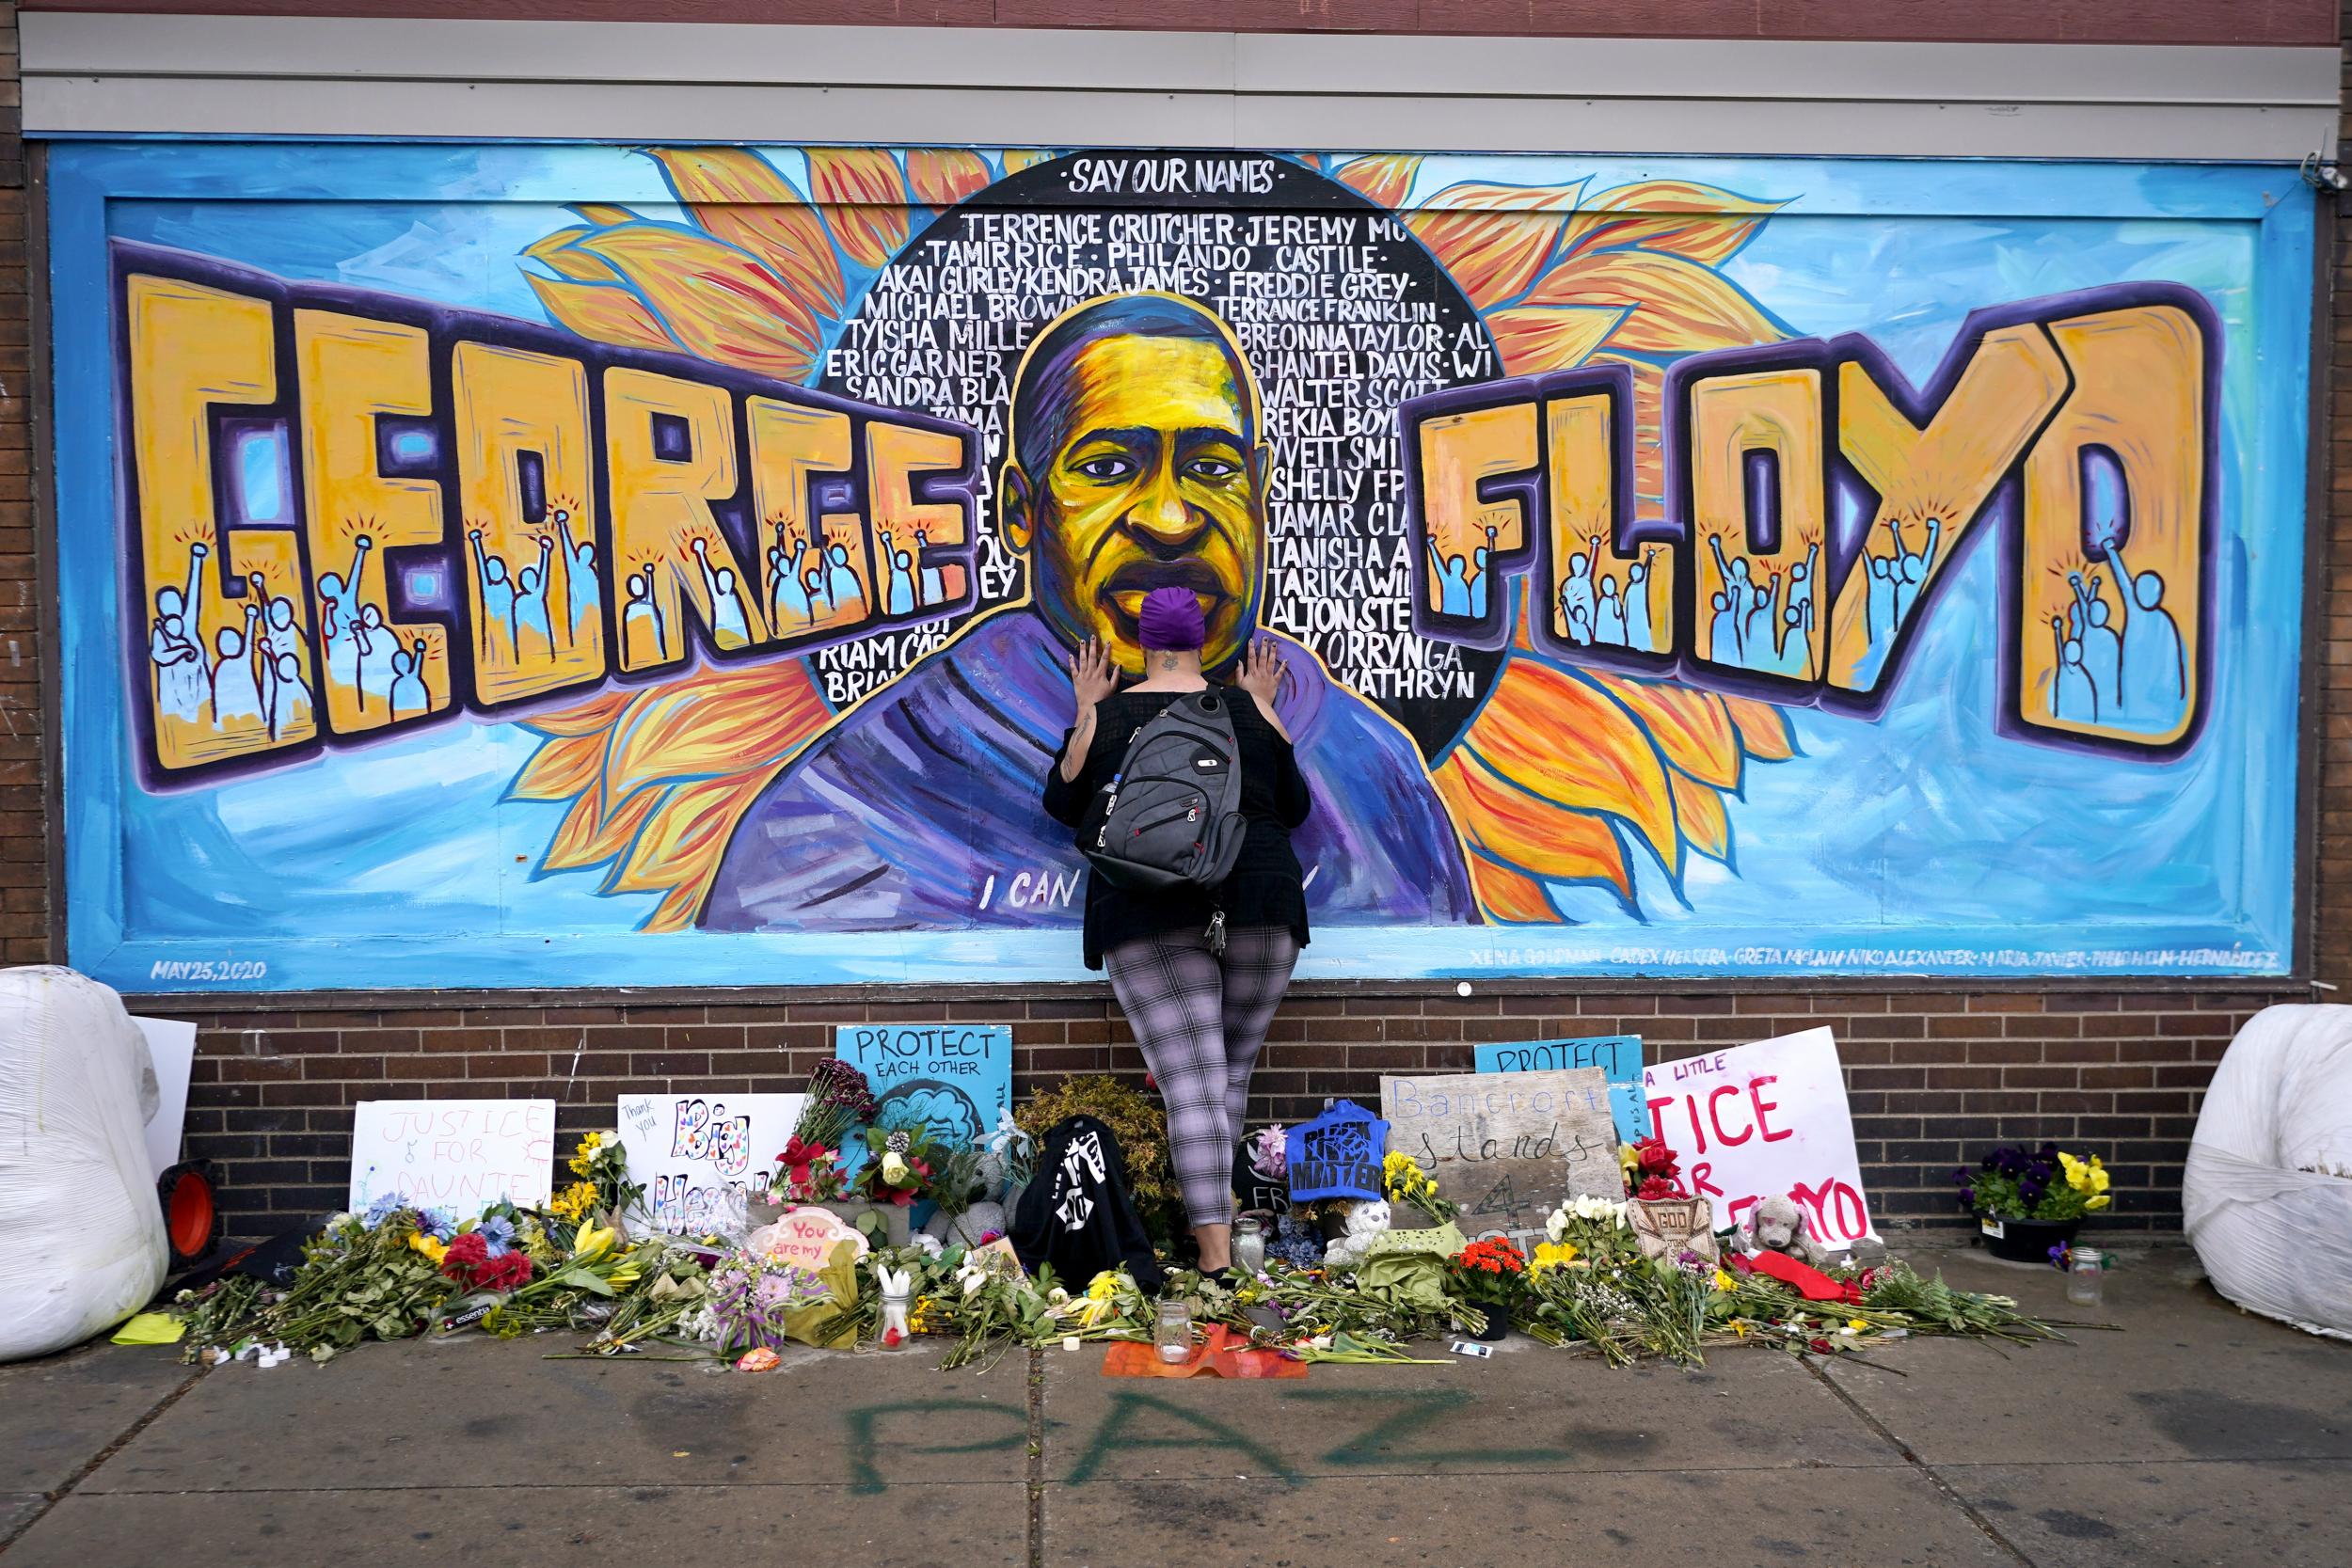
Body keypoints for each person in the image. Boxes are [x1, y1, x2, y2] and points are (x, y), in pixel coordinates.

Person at [699, 292, 1471, 933]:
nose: (1171, 519)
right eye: (1107, 467)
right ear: (1019, 510)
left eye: (1212, 467)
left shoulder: (1374, 776)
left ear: (1260, 495)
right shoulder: (851, 808)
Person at [1041, 587, 1308, 1275]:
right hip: (1262, 901)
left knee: (1191, 1084)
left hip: (1148, 907)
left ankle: (1216, 1262)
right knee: (1227, 1079)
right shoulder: (1249, 711)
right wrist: (1265, 706)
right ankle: (1224, 1240)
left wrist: (1087, 709)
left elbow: (1061, 802)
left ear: (1140, 643)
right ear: (1202, 640)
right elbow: (1295, 806)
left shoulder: (1109, 714)